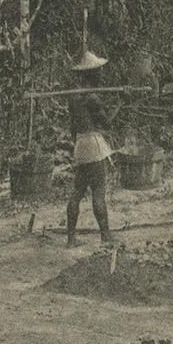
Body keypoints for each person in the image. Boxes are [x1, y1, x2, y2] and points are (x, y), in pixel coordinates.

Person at [66, 50, 115, 249]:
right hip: (93, 145)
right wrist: (121, 104)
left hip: (80, 145)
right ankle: (105, 237)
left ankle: (70, 239)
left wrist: (76, 146)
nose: (101, 74)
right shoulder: (92, 98)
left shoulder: (73, 96)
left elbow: (73, 126)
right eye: (98, 71)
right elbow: (107, 123)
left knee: (77, 191)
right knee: (98, 191)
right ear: (91, 74)